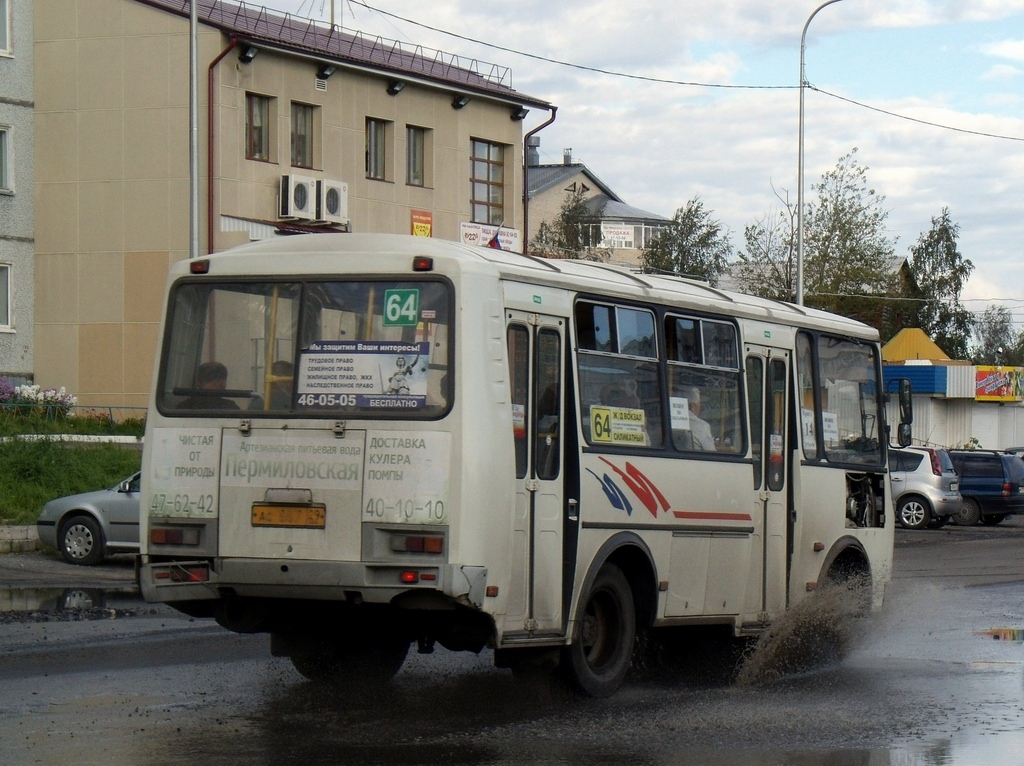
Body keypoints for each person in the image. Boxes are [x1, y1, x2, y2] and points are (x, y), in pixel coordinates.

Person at [684, 385, 716, 451]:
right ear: (692, 406)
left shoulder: (666, 422)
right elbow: (711, 452)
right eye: (699, 403)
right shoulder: (702, 426)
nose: (700, 407)